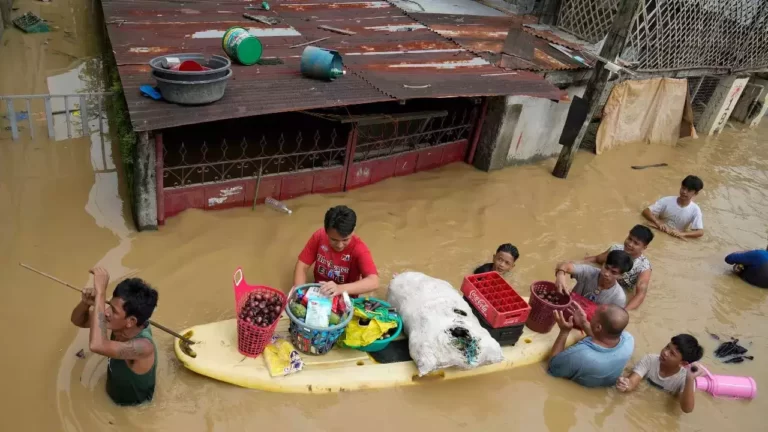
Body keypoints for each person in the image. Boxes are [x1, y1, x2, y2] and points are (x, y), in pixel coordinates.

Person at [70, 268, 159, 406]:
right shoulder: (115, 323)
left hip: (133, 409)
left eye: (114, 311)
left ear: (131, 321)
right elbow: (78, 320)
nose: (106, 312)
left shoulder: (144, 347)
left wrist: (100, 293)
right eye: (108, 305)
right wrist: (86, 303)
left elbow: (97, 345)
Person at [294, 205, 379, 297]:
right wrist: (300, 294)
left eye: (345, 240)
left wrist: (339, 288)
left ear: (353, 231)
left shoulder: (359, 249)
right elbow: (302, 266)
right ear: (326, 231)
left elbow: (374, 281)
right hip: (319, 290)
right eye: (334, 240)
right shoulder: (319, 237)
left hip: (346, 296)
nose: (339, 245)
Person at [548, 302, 634, 388]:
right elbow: (603, 339)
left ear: (598, 327)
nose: (591, 317)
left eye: (593, 316)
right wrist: (584, 323)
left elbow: (552, 368)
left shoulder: (580, 355)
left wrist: (564, 332)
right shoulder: (629, 340)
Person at [616, 334, 705, 413]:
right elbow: (632, 383)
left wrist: (690, 379)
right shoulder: (649, 360)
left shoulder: (686, 379)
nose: (665, 352)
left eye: (672, 353)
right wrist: (625, 384)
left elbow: (687, 409)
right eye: (667, 347)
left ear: (683, 363)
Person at [584, 225, 654, 310]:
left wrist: (623, 311)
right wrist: (576, 262)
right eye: (630, 238)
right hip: (602, 284)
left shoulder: (644, 267)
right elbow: (596, 259)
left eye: (636, 243)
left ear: (644, 247)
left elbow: (641, 293)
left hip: (618, 294)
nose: (630, 244)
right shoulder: (615, 249)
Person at [555, 250, 634, 307]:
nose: (606, 273)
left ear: (621, 275)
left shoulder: (618, 298)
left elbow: (610, 323)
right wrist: (560, 275)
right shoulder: (588, 272)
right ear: (603, 264)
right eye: (606, 267)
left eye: (613, 272)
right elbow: (564, 265)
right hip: (569, 307)